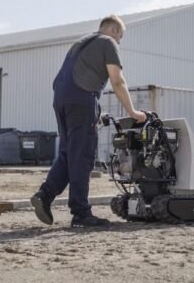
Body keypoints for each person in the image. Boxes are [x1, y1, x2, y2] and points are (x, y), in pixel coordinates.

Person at [31, 14, 147, 228]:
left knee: (69, 154)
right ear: (112, 30)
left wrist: (94, 112)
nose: (119, 41)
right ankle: (81, 213)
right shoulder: (108, 42)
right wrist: (133, 112)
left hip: (62, 99)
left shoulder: (82, 42)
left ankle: (44, 196)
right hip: (81, 99)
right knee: (83, 156)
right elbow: (117, 81)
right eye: (120, 36)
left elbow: (74, 77)